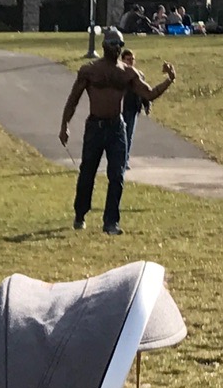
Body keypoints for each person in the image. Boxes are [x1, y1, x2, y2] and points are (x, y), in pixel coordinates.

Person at [59, 28, 174, 236]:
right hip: (95, 126)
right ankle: (80, 214)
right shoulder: (89, 70)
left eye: (120, 45)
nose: (117, 48)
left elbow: (148, 94)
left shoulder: (127, 72)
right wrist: (64, 125)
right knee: (87, 173)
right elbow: (73, 99)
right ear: (104, 46)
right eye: (114, 44)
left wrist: (169, 80)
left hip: (116, 127)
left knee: (117, 175)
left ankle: (111, 222)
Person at [116, 45, 176, 158]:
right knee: (119, 136)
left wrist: (147, 104)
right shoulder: (118, 73)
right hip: (120, 108)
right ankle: (119, 159)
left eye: (132, 59)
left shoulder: (138, 75)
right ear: (122, 60)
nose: (131, 61)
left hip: (132, 108)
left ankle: (125, 159)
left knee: (128, 135)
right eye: (128, 59)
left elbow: (145, 93)